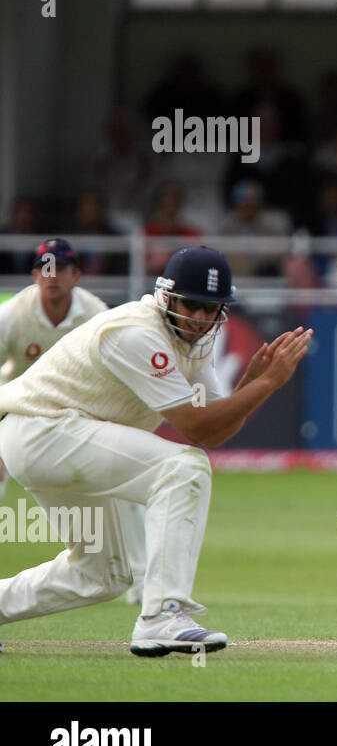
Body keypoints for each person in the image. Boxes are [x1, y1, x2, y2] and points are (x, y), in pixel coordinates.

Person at [0, 246, 312, 657]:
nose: (200, 318)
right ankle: (163, 616)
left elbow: (214, 431)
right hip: (46, 430)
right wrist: (266, 385)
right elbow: (195, 427)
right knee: (183, 468)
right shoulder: (137, 332)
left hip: (57, 439)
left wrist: (250, 385)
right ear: (166, 296)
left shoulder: (195, 342)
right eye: (192, 304)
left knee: (102, 574)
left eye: (211, 307)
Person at [0, 240, 150, 603]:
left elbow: (115, 373)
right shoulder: (13, 314)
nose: (52, 277)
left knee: (124, 479)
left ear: (76, 275)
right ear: (35, 275)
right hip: (17, 406)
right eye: (44, 269)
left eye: (61, 269)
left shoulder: (94, 314)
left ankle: (144, 583)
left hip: (75, 411)